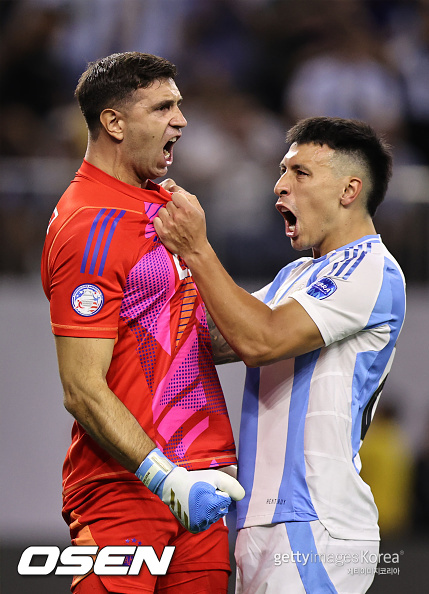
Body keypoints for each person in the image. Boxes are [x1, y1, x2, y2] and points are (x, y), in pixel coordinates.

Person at [153, 116, 407, 594]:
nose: (279, 186)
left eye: (300, 173)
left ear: (349, 190)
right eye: (283, 171)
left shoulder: (373, 268)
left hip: (317, 523)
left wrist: (197, 250)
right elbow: (215, 338)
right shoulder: (296, 275)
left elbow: (259, 341)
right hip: (263, 520)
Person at [41, 51, 244, 594]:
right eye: (163, 107)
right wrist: (165, 478)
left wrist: (294, 322)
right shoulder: (90, 225)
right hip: (125, 489)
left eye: (178, 105)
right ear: (113, 122)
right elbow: (81, 388)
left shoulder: (165, 206)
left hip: (199, 485)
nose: (181, 120)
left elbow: (199, 333)